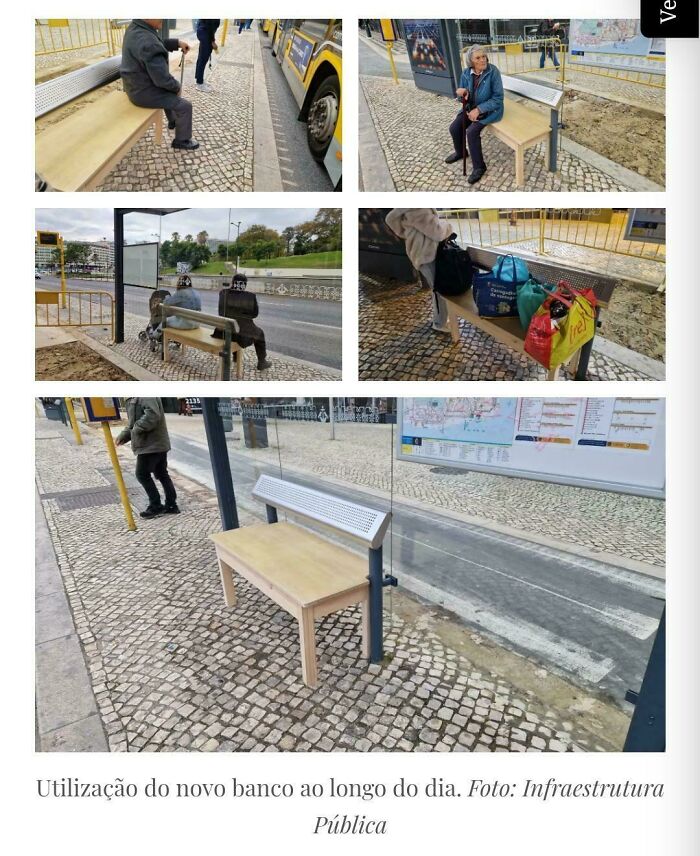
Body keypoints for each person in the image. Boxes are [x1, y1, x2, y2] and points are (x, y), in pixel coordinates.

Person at [120, 19, 199, 151]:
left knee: (169, 91)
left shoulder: (136, 27)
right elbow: (163, 80)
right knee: (185, 106)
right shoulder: (148, 41)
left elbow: (156, 43)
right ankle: (182, 140)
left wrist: (177, 43)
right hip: (142, 92)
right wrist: (177, 87)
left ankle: (173, 121)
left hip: (133, 84)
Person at [385, 208, 453, 333]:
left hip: (423, 254)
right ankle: (439, 323)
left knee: (437, 289)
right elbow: (438, 232)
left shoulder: (408, 209)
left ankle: (440, 319)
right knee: (439, 290)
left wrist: (408, 234)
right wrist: (448, 226)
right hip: (426, 255)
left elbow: (390, 219)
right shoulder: (418, 209)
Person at [445, 45, 504, 185]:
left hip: (490, 110)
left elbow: (498, 99)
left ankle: (479, 167)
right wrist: (462, 95)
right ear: (471, 61)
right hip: (470, 108)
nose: (483, 60)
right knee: (454, 128)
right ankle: (461, 152)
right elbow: (462, 98)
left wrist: (479, 109)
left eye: (484, 56)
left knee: (471, 132)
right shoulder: (466, 73)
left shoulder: (493, 71)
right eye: (478, 58)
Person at [116, 398, 179, 518]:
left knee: (142, 474)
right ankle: (171, 505)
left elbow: (152, 415)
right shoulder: (133, 397)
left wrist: (136, 430)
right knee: (162, 473)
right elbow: (132, 422)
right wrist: (125, 435)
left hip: (150, 445)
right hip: (154, 444)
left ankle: (156, 505)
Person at [212, 273, 272, 371]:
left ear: (232, 282)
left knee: (234, 329)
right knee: (260, 333)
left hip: (222, 333)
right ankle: (262, 361)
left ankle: (236, 356)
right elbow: (254, 314)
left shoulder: (223, 293)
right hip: (241, 335)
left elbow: (221, 312)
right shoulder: (251, 296)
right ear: (245, 284)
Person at [195, 19, 220, 92]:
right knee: (203, 59)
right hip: (206, 33)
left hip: (204, 32)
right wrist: (213, 41)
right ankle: (199, 83)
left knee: (201, 58)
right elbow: (210, 25)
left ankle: (199, 79)